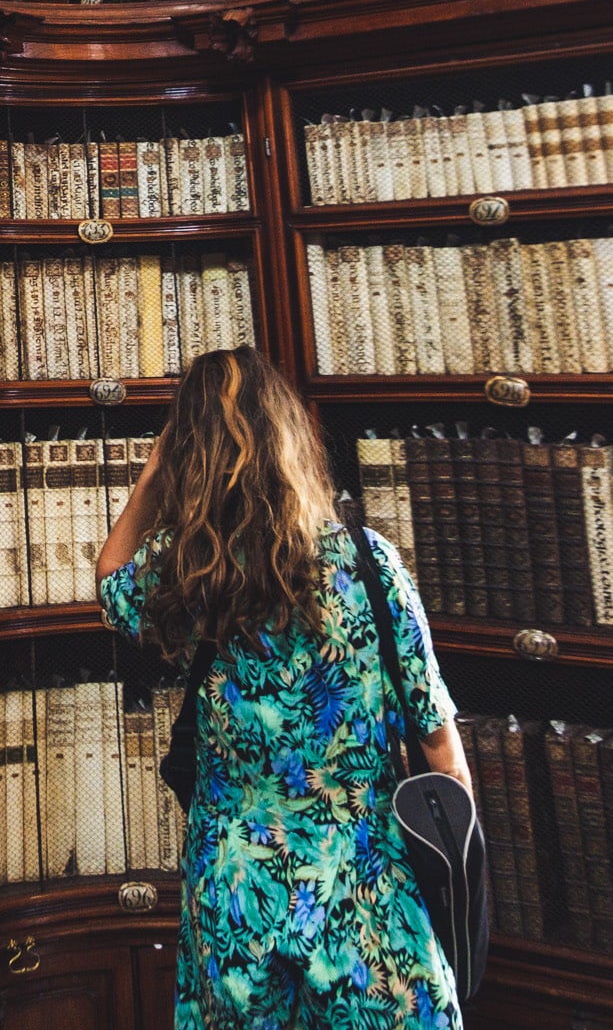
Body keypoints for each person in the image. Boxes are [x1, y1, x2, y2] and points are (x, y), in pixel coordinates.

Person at [96, 344, 472, 1030]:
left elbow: (109, 584)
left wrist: (151, 479)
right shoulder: (369, 563)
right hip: (368, 900)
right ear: (289, 439)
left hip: (237, 905)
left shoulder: (188, 575)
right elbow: (438, 743)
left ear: (188, 458)